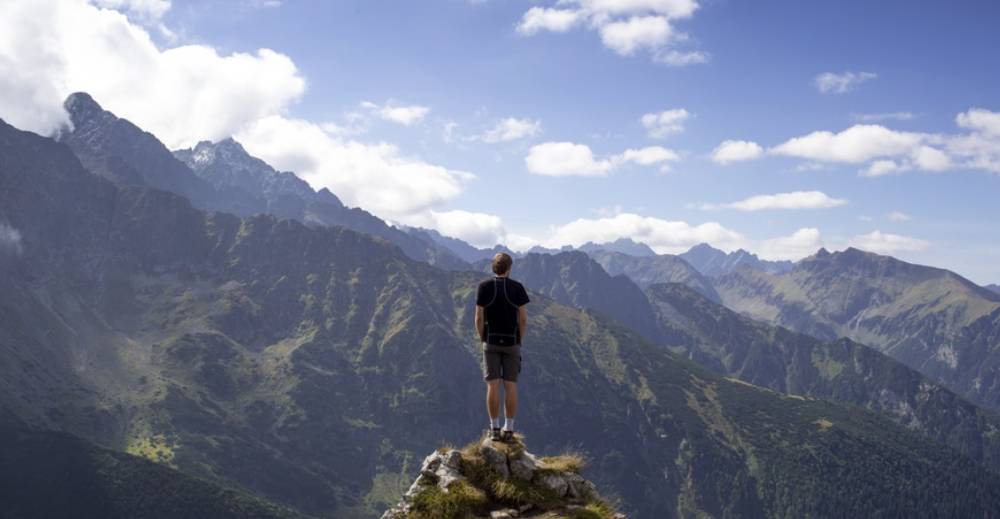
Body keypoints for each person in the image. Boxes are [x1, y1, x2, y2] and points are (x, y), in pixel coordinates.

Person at [475, 252, 530, 442]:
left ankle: (494, 428)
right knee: (510, 385)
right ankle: (509, 429)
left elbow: (479, 318)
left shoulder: (484, 287)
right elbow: (522, 319)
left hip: (490, 341)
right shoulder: (517, 288)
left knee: (492, 385)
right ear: (509, 268)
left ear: (493, 267)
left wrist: (483, 338)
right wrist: (519, 340)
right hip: (511, 342)